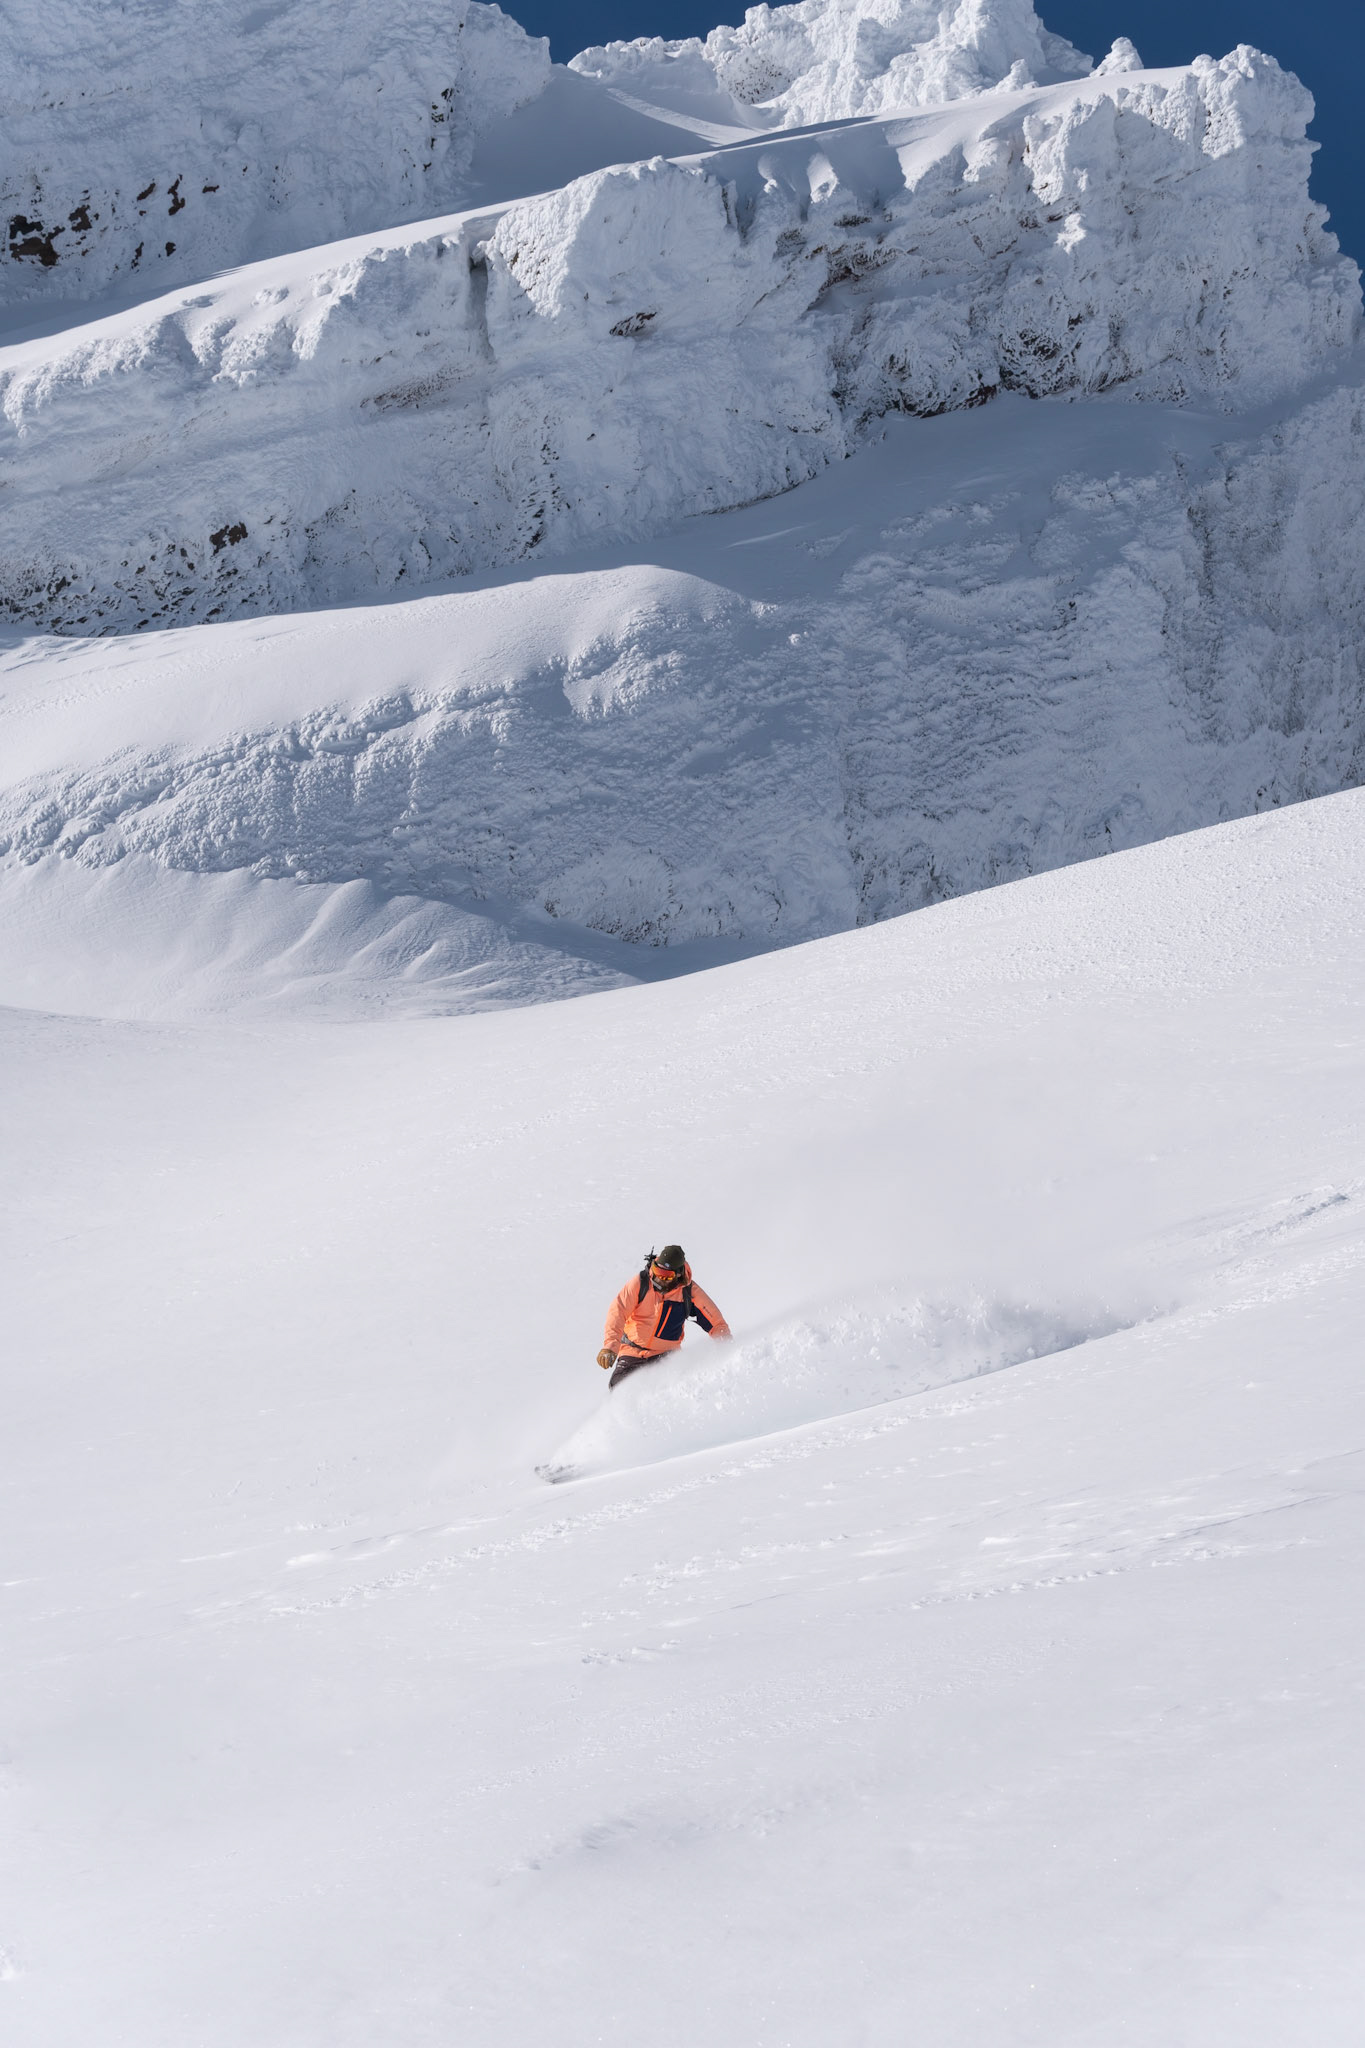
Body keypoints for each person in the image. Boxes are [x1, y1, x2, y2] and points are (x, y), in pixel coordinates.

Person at [597, 1244, 731, 1387]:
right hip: (633, 1352)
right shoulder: (641, 1283)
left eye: (666, 1276)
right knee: (619, 1387)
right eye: (657, 1271)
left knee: (671, 1390)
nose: (658, 1278)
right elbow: (618, 1312)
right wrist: (610, 1347)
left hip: (667, 1356)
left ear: (678, 1274)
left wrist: (729, 1351)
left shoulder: (689, 1293)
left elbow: (717, 1324)